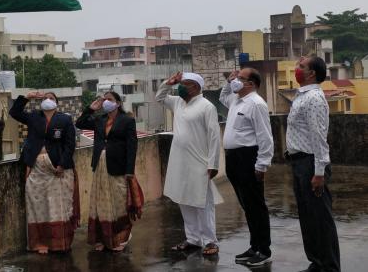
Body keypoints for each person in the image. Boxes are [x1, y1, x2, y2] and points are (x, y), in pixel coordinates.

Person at [156, 72, 223, 256]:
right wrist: (168, 82)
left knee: (202, 203)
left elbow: (214, 136)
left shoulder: (206, 106)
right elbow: (159, 97)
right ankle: (193, 239)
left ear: (196, 86)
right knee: (184, 200)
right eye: (181, 83)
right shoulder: (177, 102)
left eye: (185, 84)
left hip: (200, 163)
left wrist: (213, 163)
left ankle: (210, 241)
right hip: (180, 162)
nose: (181, 87)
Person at [286, 55, 340, 272]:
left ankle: (329, 266)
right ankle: (317, 263)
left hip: (311, 163)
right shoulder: (302, 96)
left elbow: (319, 137)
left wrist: (319, 173)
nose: (296, 69)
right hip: (300, 163)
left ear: (312, 74)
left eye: (301, 66)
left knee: (320, 219)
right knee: (308, 218)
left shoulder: (314, 98)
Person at [9, 91, 79, 254]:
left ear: (57, 102)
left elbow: (70, 145)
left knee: (58, 207)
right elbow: (14, 112)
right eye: (45, 98)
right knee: (38, 206)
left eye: (52, 98)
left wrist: (62, 164)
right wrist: (27, 97)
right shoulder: (34, 116)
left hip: (57, 169)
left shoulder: (65, 119)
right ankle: (40, 243)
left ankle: (60, 243)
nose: (48, 100)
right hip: (36, 167)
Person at [219, 68, 274, 266]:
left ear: (251, 83)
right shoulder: (236, 100)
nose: (235, 80)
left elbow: (265, 137)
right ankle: (254, 246)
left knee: (256, 206)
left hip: (248, 157)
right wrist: (229, 80)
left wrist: (262, 164)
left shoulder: (256, 104)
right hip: (233, 159)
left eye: (240, 78)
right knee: (247, 206)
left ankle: (264, 250)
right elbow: (223, 96)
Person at [75, 91, 140, 252]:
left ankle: (121, 237)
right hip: (100, 167)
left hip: (118, 167)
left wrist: (129, 170)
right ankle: (102, 238)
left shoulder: (127, 121)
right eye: (104, 100)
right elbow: (80, 123)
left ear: (118, 103)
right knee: (101, 203)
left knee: (119, 203)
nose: (106, 102)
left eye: (109, 100)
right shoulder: (99, 120)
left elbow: (132, 147)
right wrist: (91, 108)